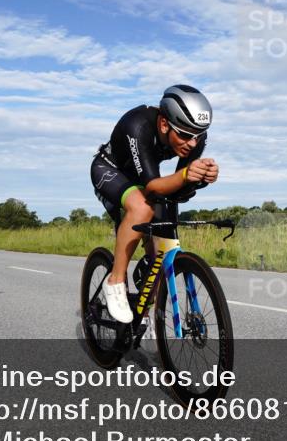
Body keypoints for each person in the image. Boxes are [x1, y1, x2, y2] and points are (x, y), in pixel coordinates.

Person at [90, 85, 219, 322]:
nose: (192, 143)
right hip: (110, 171)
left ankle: (145, 312)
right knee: (142, 206)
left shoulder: (194, 136)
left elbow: (180, 186)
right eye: (185, 135)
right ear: (163, 124)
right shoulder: (138, 124)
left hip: (145, 177)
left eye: (198, 135)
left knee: (161, 246)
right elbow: (151, 185)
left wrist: (201, 178)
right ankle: (115, 281)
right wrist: (184, 175)